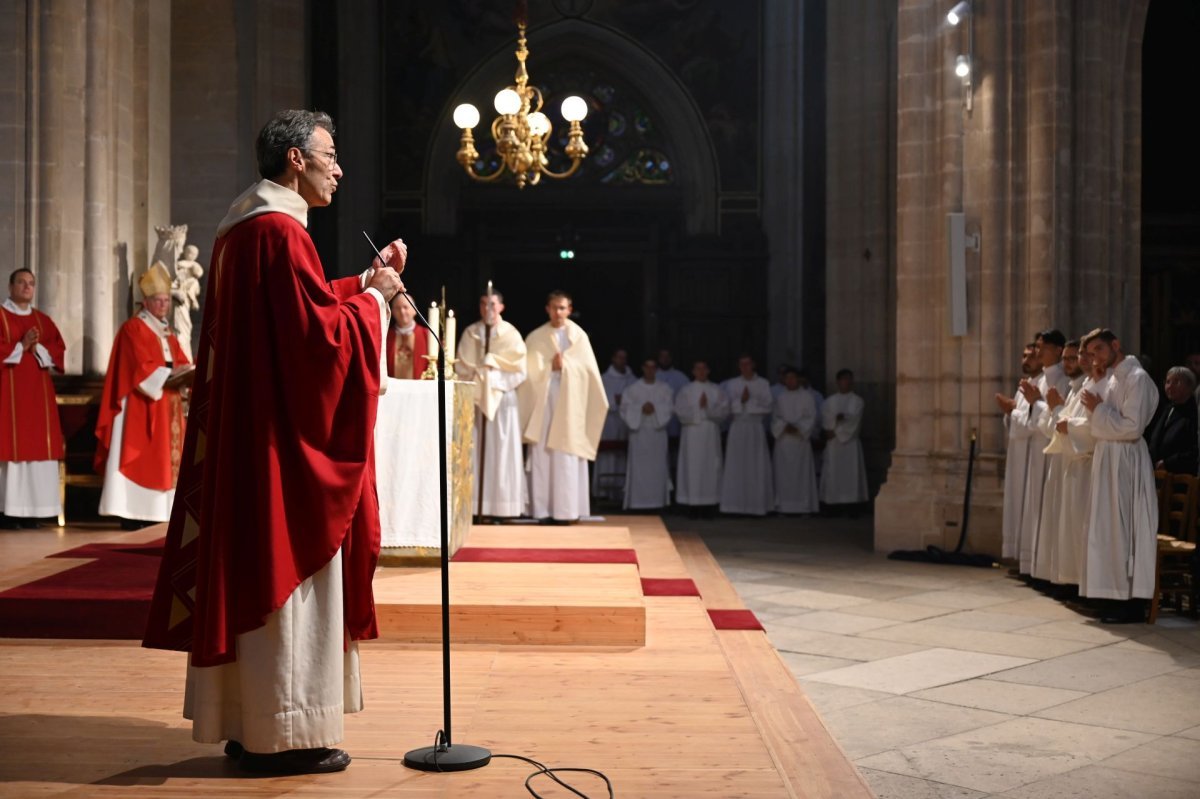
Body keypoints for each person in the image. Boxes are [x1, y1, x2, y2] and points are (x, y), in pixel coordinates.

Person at [142, 109, 406, 774]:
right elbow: (315, 344)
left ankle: (246, 722)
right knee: (290, 576)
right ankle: (287, 732)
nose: (338, 168)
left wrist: (358, 285)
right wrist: (374, 300)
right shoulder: (281, 233)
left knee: (254, 569)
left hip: (251, 438)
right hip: (281, 451)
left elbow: (299, 313)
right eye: (329, 154)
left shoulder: (243, 229)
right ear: (295, 160)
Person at [95, 263, 193, 529]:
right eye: (158, 300)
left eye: (166, 301)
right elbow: (138, 367)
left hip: (168, 403)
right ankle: (131, 512)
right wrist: (171, 373)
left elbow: (181, 361)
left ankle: (160, 512)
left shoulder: (167, 331)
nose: (163, 305)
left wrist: (188, 372)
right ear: (145, 301)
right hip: (141, 404)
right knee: (140, 454)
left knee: (166, 460)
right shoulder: (133, 329)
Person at [1079, 329, 1160, 623]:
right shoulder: (1113, 378)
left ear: (1116, 345)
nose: (1095, 358)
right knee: (1107, 529)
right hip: (1108, 458)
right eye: (1091, 354)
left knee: (1124, 530)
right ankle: (1110, 595)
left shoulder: (1137, 379)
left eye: (1099, 350)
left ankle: (1130, 602)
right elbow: (1091, 412)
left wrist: (1099, 410)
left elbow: (1131, 427)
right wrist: (1097, 394)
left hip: (1126, 460)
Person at [519, 290, 608, 523]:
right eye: (554, 307)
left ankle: (567, 510)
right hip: (543, 401)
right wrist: (549, 366)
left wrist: (565, 365)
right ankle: (542, 510)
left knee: (565, 453)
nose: (558, 312)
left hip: (569, 403)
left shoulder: (578, 337)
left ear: (569, 309)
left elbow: (589, 372)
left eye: (562, 308)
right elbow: (527, 372)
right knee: (542, 453)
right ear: (547, 309)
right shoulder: (536, 337)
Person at [0, 268, 66, 529]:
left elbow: (58, 350)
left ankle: (34, 511)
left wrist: (39, 348)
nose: (27, 287)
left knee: (38, 449)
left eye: (31, 283)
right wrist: (20, 346)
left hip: (39, 397)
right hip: (9, 393)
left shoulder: (42, 319)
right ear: (10, 286)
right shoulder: (2, 316)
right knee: (11, 449)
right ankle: (8, 511)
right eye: (21, 282)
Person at [456, 289, 527, 518]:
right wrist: (480, 376)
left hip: (503, 400)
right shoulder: (471, 333)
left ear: (501, 307)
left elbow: (519, 370)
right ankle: (478, 506)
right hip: (477, 400)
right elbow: (461, 367)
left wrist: (493, 376)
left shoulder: (511, 334)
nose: (488, 309)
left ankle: (503, 507)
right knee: (477, 450)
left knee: (502, 452)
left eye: (493, 304)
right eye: (484, 304)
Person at [1016, 330, 1069, 577]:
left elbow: (1058, 416)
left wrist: (1036, 402)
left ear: (1058, 350)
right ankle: (1035, 568)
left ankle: (1048, 571)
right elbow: (1034, 420)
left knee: (1049, 510)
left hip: (1052, 452)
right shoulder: (1042, 378)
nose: (1038, 352)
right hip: (1037, 450)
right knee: (1036, 509)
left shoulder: (1063, 379)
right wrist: (1034, 403)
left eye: (1042, 347)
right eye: (1036, 347)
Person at [1032, 339, 1084, 585]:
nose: (1069, 363)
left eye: (1073, 358)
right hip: (1063, 459)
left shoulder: (1081, 387)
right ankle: (1060, 578)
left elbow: (1073, 426)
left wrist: (1051, 407)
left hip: (1079, 461)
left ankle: (1072, 581)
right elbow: (1050, 426)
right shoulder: (1074, 387)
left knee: (1074, 524)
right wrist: (1051, 408)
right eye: (1066, 359)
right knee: (1060, 521)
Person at [1055, 341, 1106, 588]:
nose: (1083, 360)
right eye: (1081, 355)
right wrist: (1065, 421)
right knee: (1074, 528)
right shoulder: (1085, 385)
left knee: (1086, 528)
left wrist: (1068, 425)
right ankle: (1078, 583)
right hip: (1076, 461)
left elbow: (1095, 424)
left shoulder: (1099, 385)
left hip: (1090, 462)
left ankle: (1086, 585)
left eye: (1086, 355)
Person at [997, 343, 1040, 567]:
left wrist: (1012, 411)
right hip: (1019, 453)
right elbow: (1020, 419)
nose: (1026, 360)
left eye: (1031, 356)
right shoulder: (1026, 385)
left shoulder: (1042, 384)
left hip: (1032, 453)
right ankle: (1020, 559)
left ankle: (1028, 561)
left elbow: (1034, 422)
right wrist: (1011, 412)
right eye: (1023, 356)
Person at [719, 354, 774, 515]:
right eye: (742, 364)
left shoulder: (763, 383)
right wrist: (741, 401)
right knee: (737, 465)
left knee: (755, 464)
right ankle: (734, 506)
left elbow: (768, 406)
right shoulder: (732, 384)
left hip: (755, 427)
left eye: (748, 364)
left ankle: (756, 506)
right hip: (738, 427)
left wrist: (750, 402)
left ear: (753, 365)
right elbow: (726, 407)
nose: (745, 367)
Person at [619, 357, 675, 510]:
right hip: (639, 433)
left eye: (653, 367)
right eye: (647, 367)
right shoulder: (633, 389)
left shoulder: (665, 388)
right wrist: (640, 409)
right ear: (643, 368)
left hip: (657, 433)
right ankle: (638, 502)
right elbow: (624, 409)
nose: (650, 370)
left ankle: (657, 502)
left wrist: (656, 408)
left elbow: (669, 408)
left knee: (658, 468)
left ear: (656, 370)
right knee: (639, 468)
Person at [674, 360, 729, 515]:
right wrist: (698, 408)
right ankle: (692, 505)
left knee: (711, 467)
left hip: (710, 433)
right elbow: (680, 411)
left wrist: (708, 408)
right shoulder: (686, 390)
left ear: (708, 371)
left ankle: (709, 505)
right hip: (691, 434)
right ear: (693, 372)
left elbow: (724, 411)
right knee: (692, 467)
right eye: (698, 369)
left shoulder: (716, 390)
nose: (701, 372)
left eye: (704, 369)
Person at [772, 367, 819, 515]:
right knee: (783, 475)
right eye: (788, 378)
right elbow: (775, 418)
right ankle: (783, 507)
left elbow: (811, 417)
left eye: (793, 377)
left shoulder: (807, 396)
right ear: (784, 380)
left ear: (798, 379)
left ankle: (803, 506)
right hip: (784, 441)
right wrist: (784, 427)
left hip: (800, 441)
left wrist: (799, 428)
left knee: (801, 474)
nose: (790, 381)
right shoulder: (780, 397)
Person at [819, 369, 869, 510]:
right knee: (833, 473)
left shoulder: (857, 401)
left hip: (850, 443)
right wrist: (832, 425)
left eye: (849, 379)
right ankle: (832, 506)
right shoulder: (830, 401)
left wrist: (835, 430)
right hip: (834, 444)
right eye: (843, 379)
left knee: (851, 475)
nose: (846, 382)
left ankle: (851, 506)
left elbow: (854, 420)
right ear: (838, 382)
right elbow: (826, 418)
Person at [594, 349, 636, 504]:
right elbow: (597, 399)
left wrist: (624, 403)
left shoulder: (632, 379)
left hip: (625, 422)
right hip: (609, 422)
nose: (622, 360)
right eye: (619, 357)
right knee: (607, 457)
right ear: (613, 359)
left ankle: (620, 490)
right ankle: (603, 491)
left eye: (624, 358)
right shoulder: (605, 379)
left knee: (622, 457)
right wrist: (613, 402)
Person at [1145, 366, 1198, 475]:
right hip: (1156, 475)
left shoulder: (1194, 413)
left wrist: (1168, 463)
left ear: (1190, 386)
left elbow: (1194, 451)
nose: (1170, 386)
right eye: (1168, 382)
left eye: (1176, 382)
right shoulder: (1167, 408)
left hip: (1180, 479)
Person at [170, 244, 204, 362]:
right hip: (179, 299)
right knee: (180, 329)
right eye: (190, 252)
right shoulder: (179, 265)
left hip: (186, 298)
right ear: (185, 252)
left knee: (186, 328)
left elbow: (199, 273)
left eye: (194, 254)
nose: (192, 256)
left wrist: (191, 265)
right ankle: (181, 358)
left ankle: (184, 357)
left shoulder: (193, 267)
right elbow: (173, 279)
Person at [385, 289, 428, 379]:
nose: (402, 312)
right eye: (397, 308)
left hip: (420, 389)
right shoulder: (385, 336)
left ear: (414, 310)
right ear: (392, 312)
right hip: (392, 390)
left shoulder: (427, 335)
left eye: (405, 307)